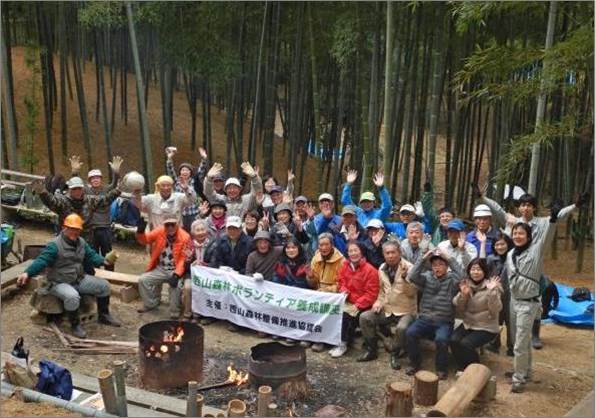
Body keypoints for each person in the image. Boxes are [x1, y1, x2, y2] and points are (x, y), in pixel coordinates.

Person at [16, 214, 120, 338]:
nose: (74, 232)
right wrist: (27, 272)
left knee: (104, 286)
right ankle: (75, 325)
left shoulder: (81, 242)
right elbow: (41, 260)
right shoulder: (54, 245)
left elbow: (92, 256)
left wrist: (104, 261)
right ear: (64, 228)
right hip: (58, 282)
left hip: (78, 279)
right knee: (72, 296)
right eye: (71, 229)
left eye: (77, 229)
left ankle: (104, 315)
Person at [502, 219, 562, 393]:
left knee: (520, 343)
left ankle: (518, 379)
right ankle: (525, 370)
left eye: (521, 233)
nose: (517, 236)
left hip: (528, 304)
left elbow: (548, 236)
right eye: (515, 233)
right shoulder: (511, 253)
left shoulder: (536, 250)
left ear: (528, 236)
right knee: (519, 340)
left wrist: (552, 221)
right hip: (514, 300)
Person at [405, 249, 465, 380]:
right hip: (425, 319)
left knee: (441, 339)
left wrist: (449, 258)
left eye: (441, 264)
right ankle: (414, 363)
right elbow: (412, 276)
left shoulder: (452, 279)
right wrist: (423, 258)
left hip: (444, 321)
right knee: (410, 332)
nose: (437, 267)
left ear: (446, 266)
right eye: (434, 265)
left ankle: (441, 368)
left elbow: (462, 276)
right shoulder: (427, 277)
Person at [358, 240, 415, 369]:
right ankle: (371, 350)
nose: (390, 255)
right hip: (388, 309)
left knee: (401, 328)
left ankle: (394, 353)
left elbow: (412, 293)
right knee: (365, 317)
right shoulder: (382, 268)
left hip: (406, 311)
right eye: (387, 253)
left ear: (399, 253)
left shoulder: (410, 268)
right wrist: (378, 302)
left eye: (393, 252)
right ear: (383, 255)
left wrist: (406, 279)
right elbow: (382, 291)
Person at [69, 155, 124, 270]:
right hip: (90, 229)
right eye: (92, 178)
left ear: (101, 179)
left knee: (108, 255)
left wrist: (116, 173)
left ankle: (110, 277)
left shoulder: (107, 189)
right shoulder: (86, 190)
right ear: (89, 181)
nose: (95, 179)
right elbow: (77, 185)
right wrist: (75, 172)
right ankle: (94, 276)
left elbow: (116, 185)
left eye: (97, 177)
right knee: (91, 255)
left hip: (105, 228)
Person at [32, 176, 122, 243]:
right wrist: (43, 193)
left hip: (86, 241)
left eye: (79, 188)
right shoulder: (63, 201)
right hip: (66, 240)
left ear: (83, 189)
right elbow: (52, 202)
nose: (77, 191)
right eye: (74, 189)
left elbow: (106, 199)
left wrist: (118, 190)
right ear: (70, 189)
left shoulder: (90, 200)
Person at [450, 258, 503, 370]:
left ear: (484, 272)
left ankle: (476, 370)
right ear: (469, 271)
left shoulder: (491, 286)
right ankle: (463, 367)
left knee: (466, 343)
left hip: (486, 327)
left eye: (479, 269)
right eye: (473, 269)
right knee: (453, 339)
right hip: (469, 324)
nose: (475, 272)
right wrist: (463, 295)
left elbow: (496, 309)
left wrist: (492, 292)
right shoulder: (466, 284)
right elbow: (458, 306)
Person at [135, 214, 192, 318]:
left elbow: (183, 259)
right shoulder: (160, 231)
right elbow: (146, 240)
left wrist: (176, 274)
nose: (170, 227)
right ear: (164, 225)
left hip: (175, 269)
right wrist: (140, 232)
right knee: (143, 280)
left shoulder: (185, 237)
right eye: (167, 225)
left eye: (172, 225)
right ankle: (151, 304)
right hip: (160, 267)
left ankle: (175, 311)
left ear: (177, 224)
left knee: (175, 287)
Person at [329, 242, 379, 358]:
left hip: (363, 304)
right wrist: (343, 289)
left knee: (346, 315)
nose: (353, 253)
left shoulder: (370, 270)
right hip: (347, 300)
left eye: (356, 250)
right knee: (331, 310)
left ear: (361, 252)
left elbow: (371, 294)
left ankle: (343, 344)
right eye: (350, 251)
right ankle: (332, 341)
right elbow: (340, 281)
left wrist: (357, 305)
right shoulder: (345, 266)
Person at [309, 233, 345, 352]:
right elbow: (313, 283)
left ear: (332, 245)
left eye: (326, 244)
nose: (323, 248)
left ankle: (322, 340)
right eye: (321, 245)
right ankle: (310, 335)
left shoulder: (341, 261)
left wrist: (327, 290)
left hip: (334, 295)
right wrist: (310, 277)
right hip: (318, 291)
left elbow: (342, 284)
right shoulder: (316, 258)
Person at [484, 232, 515, 356]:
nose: (500, 247)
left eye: (502, 244)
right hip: (495, 293)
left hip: (511, 294)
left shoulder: (513, 258)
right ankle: (494, 343)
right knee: (495, 319)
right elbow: (486, 274)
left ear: (508, 244)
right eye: (497, 244)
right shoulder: (491, 259)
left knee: (511, 321)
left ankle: (512, 347)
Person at [165, 146, 209, 232]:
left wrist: (204, 158)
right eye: (182, 170)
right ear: (180, 172)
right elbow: (170, 170)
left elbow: (201, 170)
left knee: (194, 232)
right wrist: (169, 159)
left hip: (194, 213)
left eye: (187, 170)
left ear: (190, 172)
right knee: (181, 234)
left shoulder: (194, 181)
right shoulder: (176, 181)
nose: (184, 172)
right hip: (180, 213)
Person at [185, 219, 217, 323]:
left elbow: (215, 264)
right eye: (197, 230)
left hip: (209, 275)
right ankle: (188, 313)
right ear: (193, 233)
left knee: (206, 288)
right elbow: (184, 267)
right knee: (188, 287)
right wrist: (189, 260)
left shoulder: (213, 244)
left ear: (207, 231)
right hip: (191, 275)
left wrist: (202, 264)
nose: (200, 232)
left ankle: (204, 314)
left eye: (203, 229)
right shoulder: (188, 245)